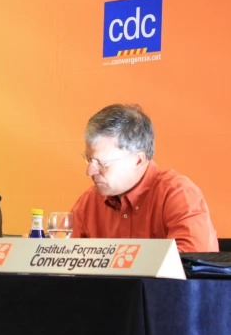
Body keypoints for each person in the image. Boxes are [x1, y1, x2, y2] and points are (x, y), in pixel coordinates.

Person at [71, 104, 217, 252]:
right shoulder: (89, 202)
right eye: (89, 160)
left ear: (138, 160)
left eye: (103, 163)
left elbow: (193, 264)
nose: (89, 171)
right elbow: (65, 264)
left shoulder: (177, 194)